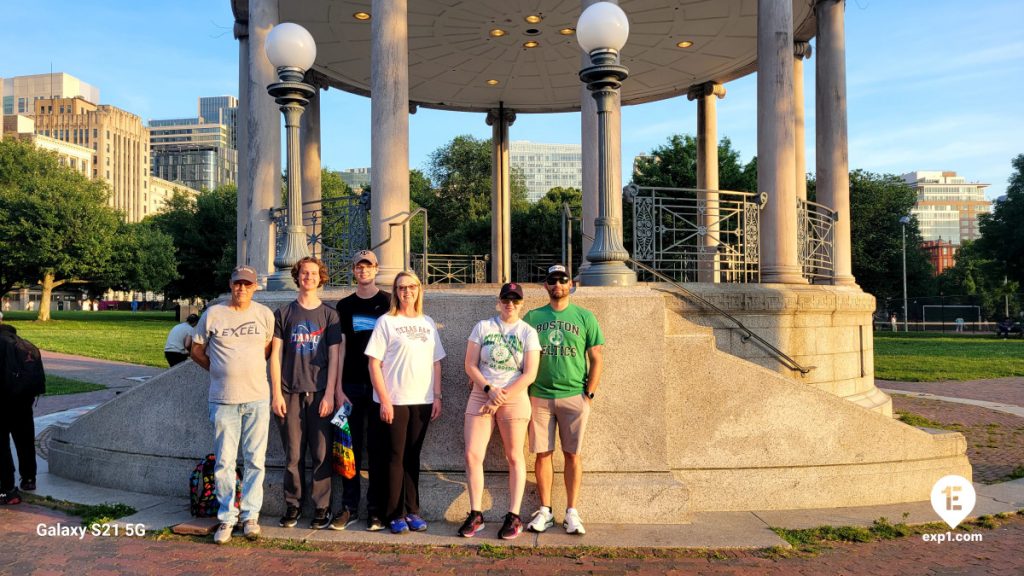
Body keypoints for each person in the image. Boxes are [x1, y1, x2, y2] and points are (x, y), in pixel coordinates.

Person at [191, 265, 274, 545]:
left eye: (247, 284)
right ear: (230, 285)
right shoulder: (213, 314)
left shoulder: (264, 315)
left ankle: (251, 515)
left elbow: (266, 350)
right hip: (223, 400)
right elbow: (196, 349)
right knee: (224, 462)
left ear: (254, 288)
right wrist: (217, 369)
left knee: (255, 460)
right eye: (237, 284)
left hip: (257, 398)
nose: (241, 288)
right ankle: (227, 517)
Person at [523, 264, 604, 536]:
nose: (558, 284)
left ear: (571, 285)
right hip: (540, 395)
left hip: (573, 395)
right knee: (542, 453)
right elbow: (520, 355)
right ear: (545, 285)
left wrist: (589, 393)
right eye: (552, 280)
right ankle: (545, 510)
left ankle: (572, 511)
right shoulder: (533, 317)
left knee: (572, 455)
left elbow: (596, 358)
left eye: (562, 280)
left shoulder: (585, 316)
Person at [365, 270, 445, 534]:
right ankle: (394, 513)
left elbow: (436, 362)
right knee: (395, 457)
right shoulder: (386, 322)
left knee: (413, 456)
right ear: (396, 292)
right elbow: (374, 364)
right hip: (395, 401)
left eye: (411, 287)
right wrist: (385, 400)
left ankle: (412, 510)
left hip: (421, 401)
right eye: (401, 288)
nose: (406, 292)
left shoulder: (428, 322)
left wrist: (437, 395)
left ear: (419, 290)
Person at [459, 282, 540, 539]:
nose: (510, 304)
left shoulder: (527, 332)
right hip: (481, 394)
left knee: (515, 456)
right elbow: (470, 365)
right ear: (499, 301)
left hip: (514, 397)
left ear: (522, 304)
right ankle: (476, 513)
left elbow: (529, 374)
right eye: (506, 299)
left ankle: (513, 515)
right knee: (472, 454)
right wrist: (488, 390)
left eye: (515, 300)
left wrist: (501, 396)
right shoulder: (483, 327)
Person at [270, 257, 342, 530]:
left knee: (322, 453)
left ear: (321, 278)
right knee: (293, 454)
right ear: (297, 276)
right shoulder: (283, 314)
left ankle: (321, 507)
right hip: (290, 392)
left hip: (320, 392)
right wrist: (276, 393)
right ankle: (293, 504)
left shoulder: (330, 315)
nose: (308, 277)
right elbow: (275, 356)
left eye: (313, 273)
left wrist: (330, 394)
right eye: (304, 273)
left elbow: (335, 358)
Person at [331, 249, 391, 531]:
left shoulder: (389, 303)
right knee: (348, 449)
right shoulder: (344, 306)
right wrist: (338, 387)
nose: (364, 271)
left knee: (377, 450)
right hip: (351, 386)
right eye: (359, 267)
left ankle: (376, 509)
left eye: (368, 267)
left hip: (380, 387)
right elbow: (340, 347)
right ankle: (349, 507)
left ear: (376, 269)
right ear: (353, 270)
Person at [0, 311, 42, 505]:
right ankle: (29, 478)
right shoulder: (24, 344)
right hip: (23, 401)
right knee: (25, 439)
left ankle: (8, 489)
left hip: (3, 401)